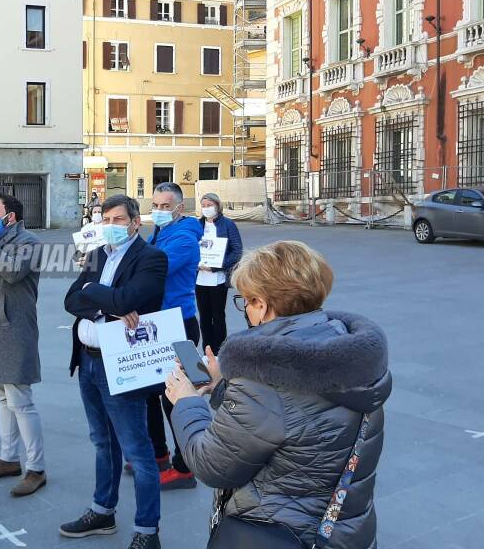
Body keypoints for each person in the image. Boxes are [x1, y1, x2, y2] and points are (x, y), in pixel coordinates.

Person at [166, 241, 391, 549]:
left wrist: (187, 401)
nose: (244, 308)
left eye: (244, 300)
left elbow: (212, 464)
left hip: (279, 531)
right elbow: (286, 418)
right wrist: (222, 385)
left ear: (262, 304)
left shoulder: (263, 379)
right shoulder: (346, 349)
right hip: (344, 529)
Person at [61, 195, 168, 549]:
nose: (111, 225)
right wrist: (102, 302)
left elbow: (127, 301)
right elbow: (70, 301)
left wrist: (94, 293)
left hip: (121, 363)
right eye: (106, 219)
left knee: (137, 450)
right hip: (88, 360)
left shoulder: (151, 258)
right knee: (101, 442)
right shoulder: (97, 255)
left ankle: (147, 531)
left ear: (136, 222)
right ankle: (102, 510)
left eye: (119, 219)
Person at [0, 194, 47, 497]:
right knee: (1, 398)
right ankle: (8, 458)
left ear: (10, 217)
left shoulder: (29, 242)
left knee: (21, 401)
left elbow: (13, 272)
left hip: (13, 330)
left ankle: (36, 469)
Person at [141, 181, 203, 489]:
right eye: (155, 205)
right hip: (160, 323)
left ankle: (185, 466)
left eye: (165, 206)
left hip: (182, 325)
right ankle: (157, 453)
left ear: (180, 208)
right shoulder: (160, 232)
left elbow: (154, 269)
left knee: (182, 395)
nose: (159, 211)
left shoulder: (185, 238)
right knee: (152, 392)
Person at [195, 193, 243, 354]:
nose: (206, 208)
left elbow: (236, 251)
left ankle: (221, 352)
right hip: (200, 280)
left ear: (217, 205)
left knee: (218, 317)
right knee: (204, 318)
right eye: (203, 205)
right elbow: (190, 247)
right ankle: (208, 353)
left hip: (218, 280)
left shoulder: (228, 224)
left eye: (209, 205)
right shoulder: (197, 225)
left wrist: (216, 266)